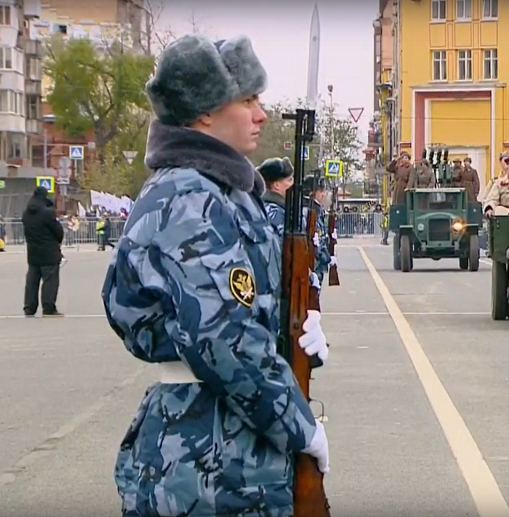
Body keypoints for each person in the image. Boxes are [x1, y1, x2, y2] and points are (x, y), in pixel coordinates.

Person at [101, 34, 330, 517]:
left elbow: (242, 312)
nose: (261, 114)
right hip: (207, 462)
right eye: (247, 99)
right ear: (205, 112)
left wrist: (294, 334)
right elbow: (223, 340)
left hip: (225, 448)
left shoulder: (221, 193)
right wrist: (298, 425)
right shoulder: (190, 197)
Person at [22, 186, 64, 317]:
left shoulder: (26, 213)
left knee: (32, 281)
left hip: (33, 252)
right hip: (49, 252)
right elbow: (57, 231)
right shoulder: (47, 213)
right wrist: (57, 242)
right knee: (50, 280)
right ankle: (48, 307)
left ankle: (29, 307)